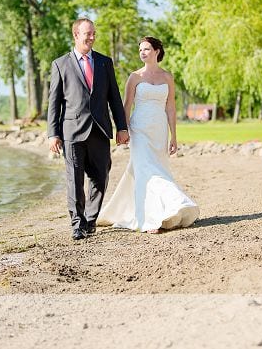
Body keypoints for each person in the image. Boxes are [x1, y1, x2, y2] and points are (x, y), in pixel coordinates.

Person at [98, 37, 199, 233]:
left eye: (146, 49)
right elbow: (126, 106)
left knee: (158, 169)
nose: (142, 53)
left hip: (159, 131)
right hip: (139, 130)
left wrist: (174, 137)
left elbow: (170, 108)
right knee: (147, 171)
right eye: (140, 50)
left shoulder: (167, 77)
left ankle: (160, 211)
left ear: (157, 51)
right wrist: (123, 129)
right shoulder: (134, 77)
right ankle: (150, 219)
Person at [47, 18, 129, 240]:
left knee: (101, 176)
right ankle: (77, 224)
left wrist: (122, 127)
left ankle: (90, 220)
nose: (92, 37)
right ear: (76, 35)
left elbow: (114, 97)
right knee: (74, 180)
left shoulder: (104, 62)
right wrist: (53, 133)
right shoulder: (60, 64)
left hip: (100, 130)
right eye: (87, 34)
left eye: (93, 33)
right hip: (72, 131)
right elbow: (54, 103)